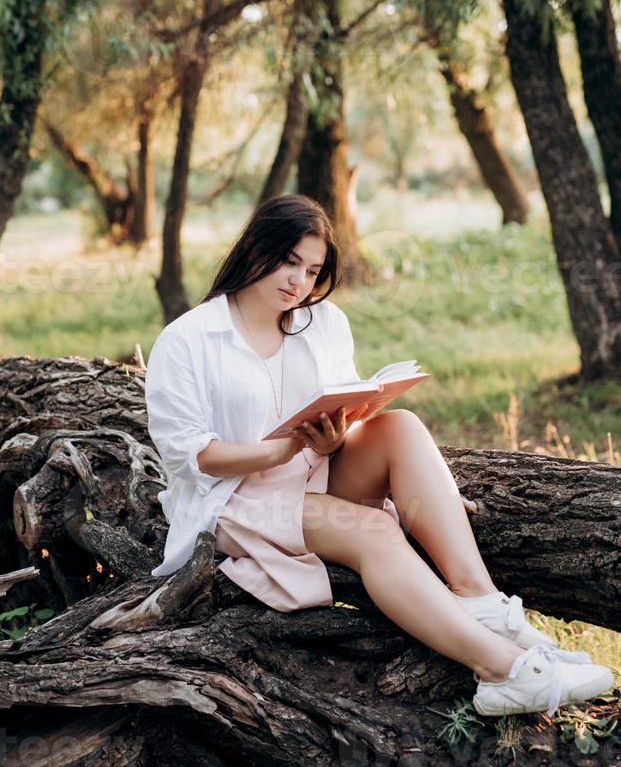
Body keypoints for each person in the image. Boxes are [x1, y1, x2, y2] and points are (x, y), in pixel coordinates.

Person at [145, 194, 614, 718]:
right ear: (255, 247)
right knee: (377, 532)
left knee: (401, 426)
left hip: (312, 471)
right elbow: (193, 456)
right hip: (232, 500)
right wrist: (279, 450)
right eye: (288, 261)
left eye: (312, 269)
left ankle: (481, 603)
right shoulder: (189, 339)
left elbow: (345, 417)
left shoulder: (322, 323)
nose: (298, 281)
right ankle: (503, 672)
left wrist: (340, 443)